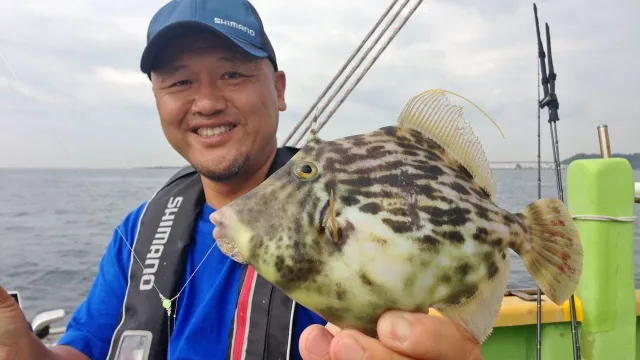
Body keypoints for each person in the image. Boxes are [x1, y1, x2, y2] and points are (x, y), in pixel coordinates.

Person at [0, 0, 483, 359]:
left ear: (278, 89)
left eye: (232, 74)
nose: (206, 102)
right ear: (157, 99)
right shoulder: (139, 231)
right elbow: (83, 350)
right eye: (179, 81)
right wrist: (19, 344)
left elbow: (430, 314)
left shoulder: (351, 213)